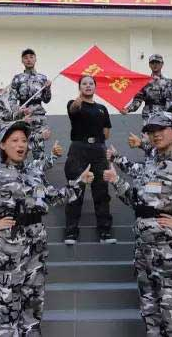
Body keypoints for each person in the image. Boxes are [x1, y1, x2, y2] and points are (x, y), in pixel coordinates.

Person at [104, 112, 172, 337]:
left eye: (161, 129)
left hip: (171, 254)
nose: (156, 135)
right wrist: (116, 181)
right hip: (145, 253)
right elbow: (137, 201)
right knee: (151, 315)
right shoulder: (150, 165)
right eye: (151, 131)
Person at [0, 120, 93, 336]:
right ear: (2, 145)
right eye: (14, 140)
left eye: (24, 140)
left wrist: (80, 182)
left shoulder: (34, 173)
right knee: (6, 306)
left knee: (33, 303)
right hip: (9, 248)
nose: (20, 145)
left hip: (36, 245)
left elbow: (54, 197)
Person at [64, 75, 115, 245]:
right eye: (84, 83)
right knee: (75, 189)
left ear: (95, 87)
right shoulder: (74, 103)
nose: (88, 86)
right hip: (79, 149)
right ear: (79, 87)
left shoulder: (102, 108)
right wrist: (79, 97)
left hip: (98, 150)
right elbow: (73, 109)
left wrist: (97, 142)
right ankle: (71, 233)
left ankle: (105, 232)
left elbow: (106, 132)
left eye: (91, 83)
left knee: (101, 191)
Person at [8, 49, 52, 161]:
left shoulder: (42, 78)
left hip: (38, 115)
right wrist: (18, 111)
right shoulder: (17, 78)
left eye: (31, 57)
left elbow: (46, 99)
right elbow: (12, 99)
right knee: (21, 145)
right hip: (23, 116)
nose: (28, 60)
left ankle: (39, 170)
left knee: (39, 147)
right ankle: (21, 170)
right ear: (22, 60)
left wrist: (48, 88)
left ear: (35, 59)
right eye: (26, 57)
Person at [120, 54, 172, 122]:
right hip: (149, 116)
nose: (155, 65)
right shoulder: (144, 82)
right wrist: (128, 109)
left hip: (165, 115)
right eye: (152, 63)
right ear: (149, 65)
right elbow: (138, 100)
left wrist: (160, 83)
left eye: (157, 62)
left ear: (162, 64)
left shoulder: (169, 82)